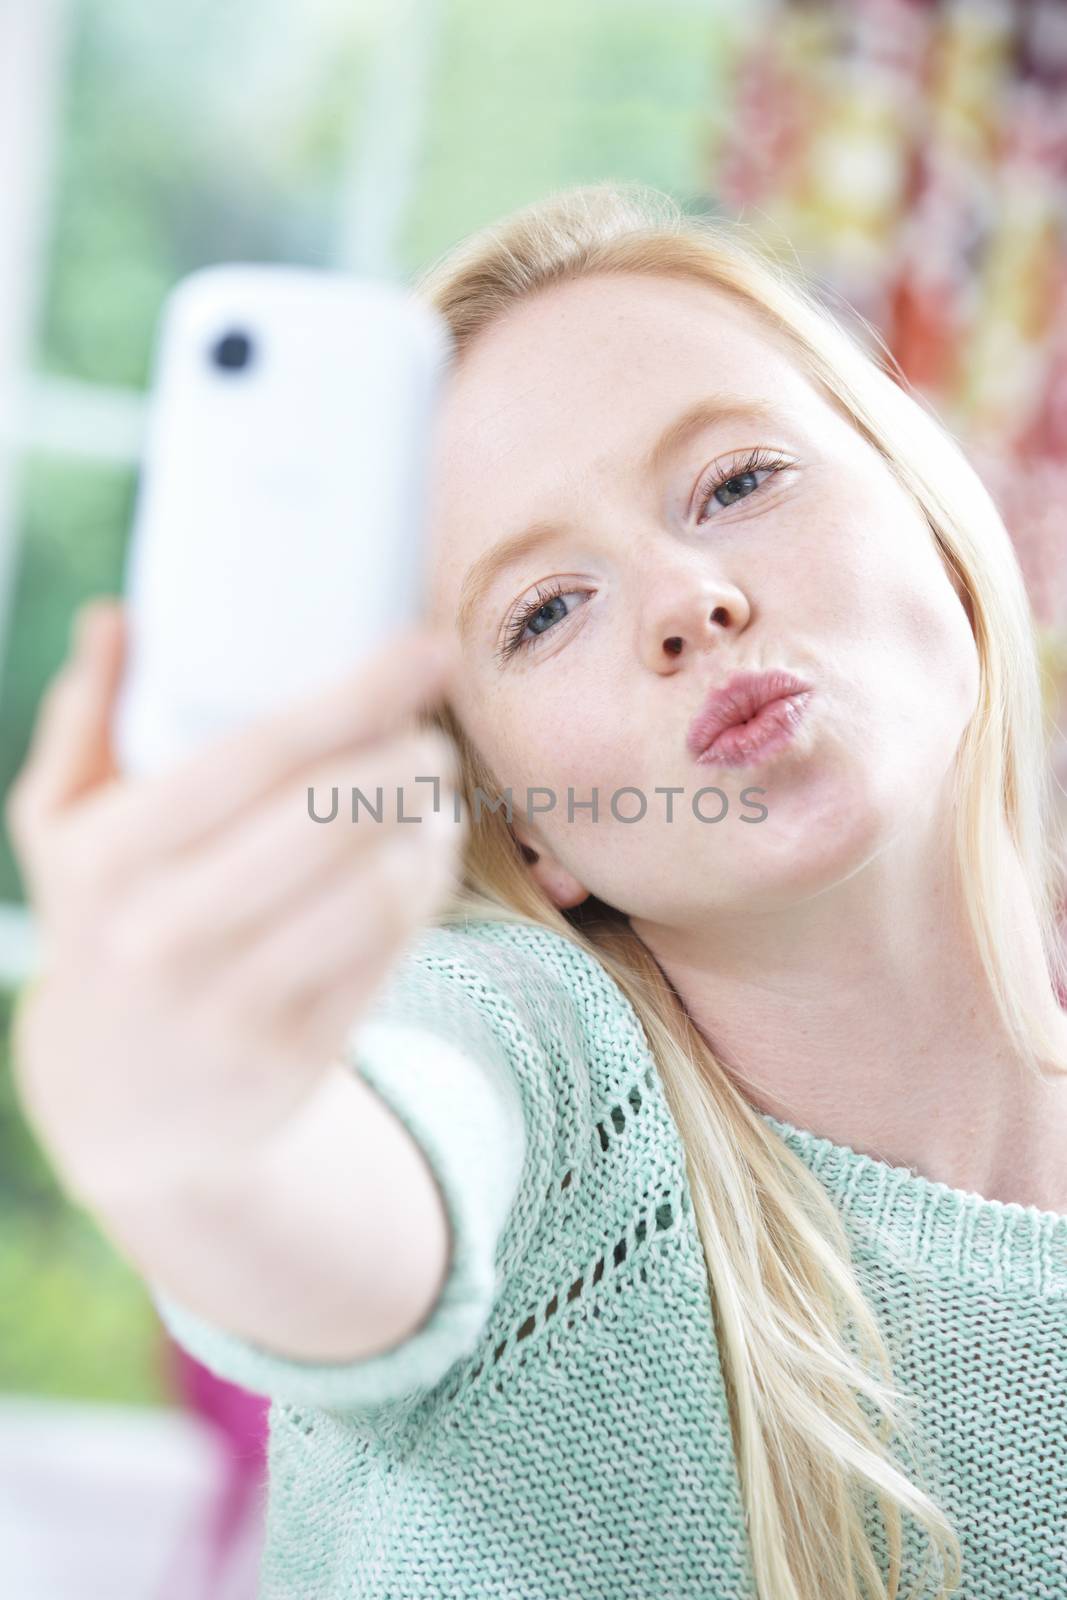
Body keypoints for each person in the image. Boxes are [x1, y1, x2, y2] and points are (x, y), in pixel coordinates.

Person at [7, 181, 1067, 1600]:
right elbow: (320, 1191)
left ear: (937, 524)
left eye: (739, 482)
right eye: (543, 611)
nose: (688, 600)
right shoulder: (539, 1067)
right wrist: (159, 1106)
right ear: (530, 833)